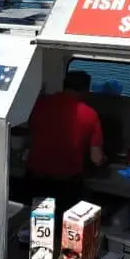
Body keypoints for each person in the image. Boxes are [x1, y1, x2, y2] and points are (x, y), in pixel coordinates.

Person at [24, 70, 105, 233]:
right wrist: (105, 159)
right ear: (85, 90)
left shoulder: (40, 104)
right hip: (66, 185)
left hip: (35, 179)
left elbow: (32, 133)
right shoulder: (90, 114)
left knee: (40, 228)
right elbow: (96, 158)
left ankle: (38, 255)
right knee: (65, 231)